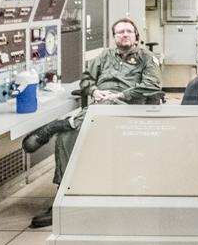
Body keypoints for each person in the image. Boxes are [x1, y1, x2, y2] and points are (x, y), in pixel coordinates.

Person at [25, 17, 161, 227]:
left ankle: (61, 123)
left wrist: (120, 95)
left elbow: (152, 86)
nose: (124, 35)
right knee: (66, 137)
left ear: (136, 36)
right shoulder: (104, 57)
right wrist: (95, 90)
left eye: (128, 31)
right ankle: (63, 197)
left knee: (101, 109)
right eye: (120, 32)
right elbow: (86, 80)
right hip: (99, 109)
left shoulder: (147, 58)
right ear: (114, 37)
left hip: (129, 110)